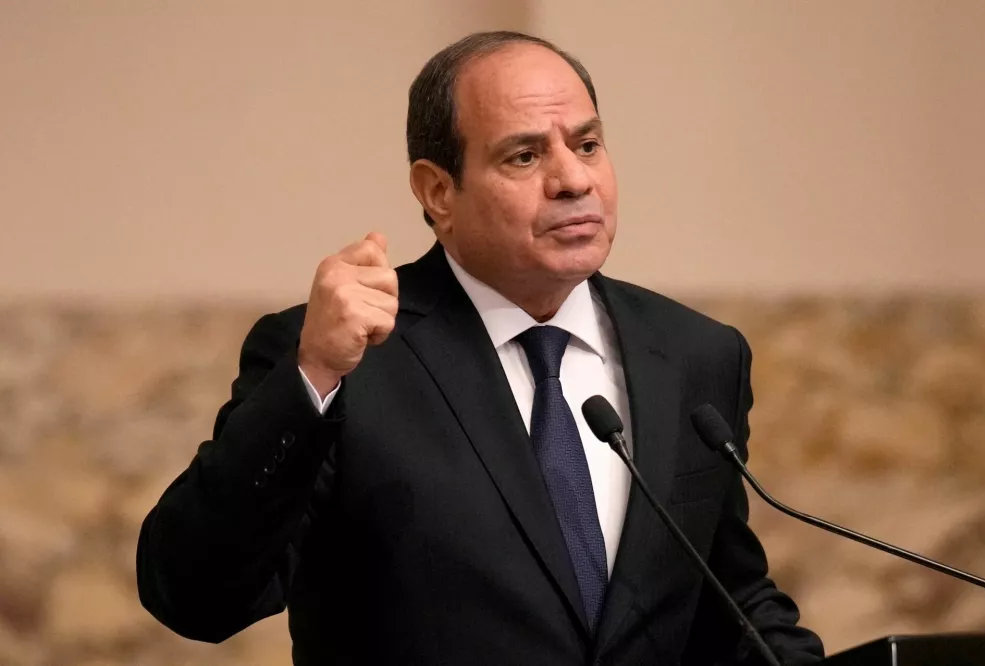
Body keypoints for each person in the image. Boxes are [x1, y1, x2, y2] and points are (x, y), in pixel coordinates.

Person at [136, 31, 824, 665]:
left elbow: (723, 598)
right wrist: (312, 378)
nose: (574, 180)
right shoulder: (344, 358)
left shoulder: (696, 354)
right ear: (438, 190)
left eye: (587, 145)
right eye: (525, 155)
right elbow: (196, 596)